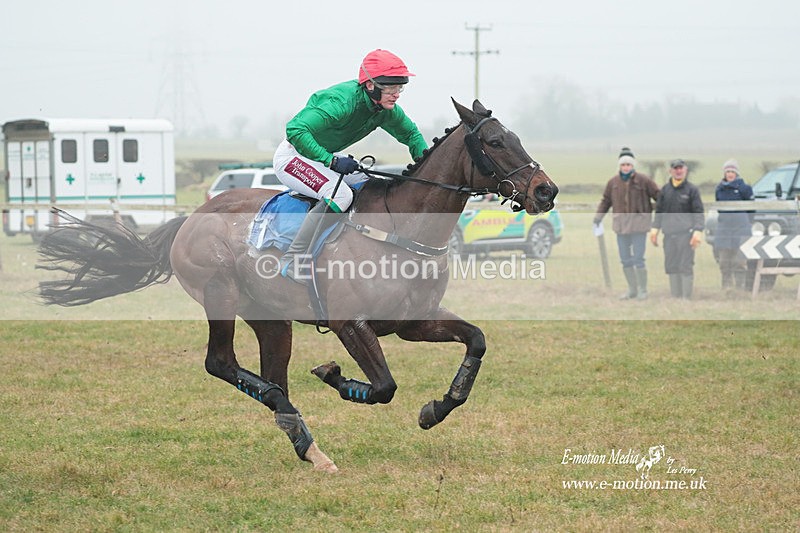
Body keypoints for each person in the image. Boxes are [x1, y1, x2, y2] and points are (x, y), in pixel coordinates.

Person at [273, 49, 428, 279]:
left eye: (400, 88)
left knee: (370, 188)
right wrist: (331, 161)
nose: (396, 95)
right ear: (370, 86)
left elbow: (412, 135)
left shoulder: (385, 110)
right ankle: (293, 258)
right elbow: (296, 130)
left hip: (322, 155)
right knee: (341, 196)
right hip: (293, 156)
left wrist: (426, 171)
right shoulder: (341, 102)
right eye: (391, 88)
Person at [593, 147, 660, 300]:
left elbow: (659, 196)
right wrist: (598, 217)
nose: (626, 167)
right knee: (625, 260)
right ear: (620, 166)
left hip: (639, 227)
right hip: (621, 227)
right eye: (623, 165)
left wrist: (649, 208)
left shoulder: (644, 181)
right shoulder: (613, 183)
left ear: (633, 166)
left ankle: (643, 290)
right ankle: (632, 289)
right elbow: (606, 201)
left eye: (628, 164)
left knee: (638, 259)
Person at [650, 159, 705, 299]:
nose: (678, 171)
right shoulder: (665, 190)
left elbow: (698, 212)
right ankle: (675, 297)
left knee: (685, 265)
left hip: (686, 235)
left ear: (685, 170)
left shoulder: (692, 190)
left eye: (681, 168)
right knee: (671, 265)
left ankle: (686, 298)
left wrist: (698, 231)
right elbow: (659, 211)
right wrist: (655, 229)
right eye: (675, 168)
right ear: (671, 171)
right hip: (669, 235)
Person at [714, 159, 754, 291]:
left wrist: (745, 223)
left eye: (732, 171)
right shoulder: (719, 189)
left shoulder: (745, 188)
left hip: (741, 230)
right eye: (728, 171)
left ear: (736, 173)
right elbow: (719, 208)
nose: (730, 174)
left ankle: (740, 288)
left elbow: (751, 210)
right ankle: (727, 288)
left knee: (739, 261)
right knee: (724, 262)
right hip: (724, 230)